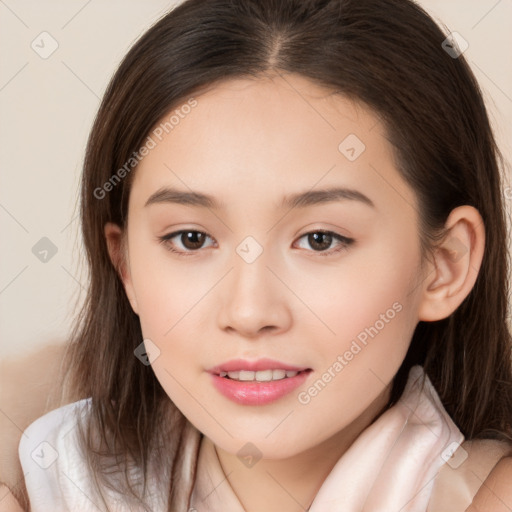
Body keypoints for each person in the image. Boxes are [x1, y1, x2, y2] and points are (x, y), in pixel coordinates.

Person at [9, 0, 512, 510]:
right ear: (126, 266)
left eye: (321, 239)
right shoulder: (58, 478)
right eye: (191, 239)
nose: (249, 313)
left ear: (444, 266)